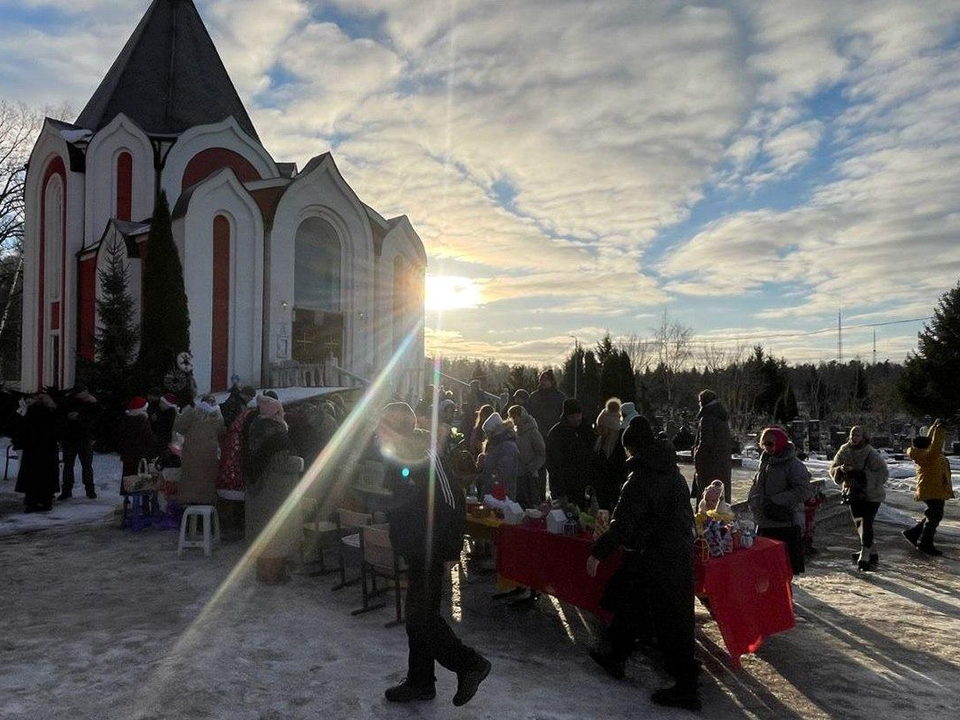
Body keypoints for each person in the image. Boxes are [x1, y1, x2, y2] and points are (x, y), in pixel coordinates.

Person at [380, 402, 491, 706]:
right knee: (418, 618)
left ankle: (470, 664)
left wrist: (449, 548)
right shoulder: (400, 454)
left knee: (421, 619)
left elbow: (451, 497)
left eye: (385, 425)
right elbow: (405, 500)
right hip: (416, 549)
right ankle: (421, 682)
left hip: (430, 549)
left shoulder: (423, 453)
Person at [586, 416, 700, 711]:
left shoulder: (641, 479)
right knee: (631, 598)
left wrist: (598, 552)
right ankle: (616, 654)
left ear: (632, 448)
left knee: (670, 618)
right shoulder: (672, 472)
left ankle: (687, 687)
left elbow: (623, 524)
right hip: (673, 550)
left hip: (658, 554)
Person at [244, 394, 299, 584]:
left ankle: (263, 573)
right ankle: (274, 576)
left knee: (263, 533)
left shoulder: (255, 427)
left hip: (257, 489)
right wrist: (300, 463)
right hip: (275, 491)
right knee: (277, 534)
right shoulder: (276, 432)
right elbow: (282, 463)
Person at [748, 427, 811, 575]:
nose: (767, 448)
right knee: (765, 568)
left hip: (784, 522)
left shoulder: (793, 464)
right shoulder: (766, 462)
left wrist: (776, 500)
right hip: (764, 520)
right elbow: (757, 486)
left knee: (783, 568)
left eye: (770, 444)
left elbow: (803, 490)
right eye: (764, 444)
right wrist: (754, 501)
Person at [829, 426, 889, 571]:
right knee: (859, 522)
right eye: (853, 435)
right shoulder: (844, 450)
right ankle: (871, 549)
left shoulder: (871, 453)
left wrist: (859, 474)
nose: (855, 438)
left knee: (866, 522)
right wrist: (841, 470)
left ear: (864, 437)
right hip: (853, 493)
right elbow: (833, 468)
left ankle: (865, 553)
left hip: (871, 495)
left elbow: (883, 473)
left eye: (858, 435)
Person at [904, 420, 954, 556]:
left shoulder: (925, 454)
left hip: (934, 489)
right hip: (932, 490)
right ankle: (926, 543)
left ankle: (913, 533)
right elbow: (936, 445)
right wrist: (941, 429)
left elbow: (931, 441)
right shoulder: (928, 456)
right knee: (935, 516)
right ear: (926, 447)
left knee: (933, 514)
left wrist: (934, 427)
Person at [13, 393, 61, 513]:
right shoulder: (52, 412)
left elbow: (22, 428)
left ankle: (31, 502)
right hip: (48, 450)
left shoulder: (31, 412)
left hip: (32, 450)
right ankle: (45, 502)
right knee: (47, 477)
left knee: (31, 477)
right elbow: (57, 430)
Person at [174, 395, 225, 505]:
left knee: (190, 479)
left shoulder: (193, 411)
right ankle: (207, 505)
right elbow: (221, 432)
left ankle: (190, 507)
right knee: (208, 479)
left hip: (192, 453)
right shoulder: (218, 415)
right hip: (211, 454)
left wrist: (178, 415)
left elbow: (179, 427)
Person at [545, 398, 594, 506]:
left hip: (583, 486)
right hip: (563, 487)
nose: (576, 419)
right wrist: (560, 490)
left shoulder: (587, 430)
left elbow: (592, 455)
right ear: (566, 417)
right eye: (572, 417)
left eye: (578, 415)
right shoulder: (556, 434)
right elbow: (553, 464)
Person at [58, 384, 99, 500]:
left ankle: (88, 489)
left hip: (82, 438)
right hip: (73, 438)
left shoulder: (89, 403)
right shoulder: (69, 403)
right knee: (72, 466)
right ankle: (69, 489)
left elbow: (95, 419)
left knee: (84, 466)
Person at [692, 390, 733, 503]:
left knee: (708, 498)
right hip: (722, 465)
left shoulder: (707, 418)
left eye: (699, 401)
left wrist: (697, 457)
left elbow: (705, 443)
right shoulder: (721, 417)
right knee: (721, 498)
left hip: (709, 466)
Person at [507, 405, 546, 507]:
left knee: (532, 503)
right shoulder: (515, 432)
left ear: (521, 416)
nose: (513, 420)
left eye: (515, 417)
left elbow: (541, 453)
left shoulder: (533, 432)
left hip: (530, 476)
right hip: (518, 474)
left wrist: (531, 468)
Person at [118, 397, 156, 498]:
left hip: (128, 455)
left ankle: (127, 494)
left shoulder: (126, 420)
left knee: (128, 476)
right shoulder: (142, 420)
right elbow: (149, 438)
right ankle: (143, 502)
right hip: (140, 454)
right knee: (140, 478)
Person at [478, 412, 520, 499]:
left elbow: (503, 473)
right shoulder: (497, 445)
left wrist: (485, 480)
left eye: (488, 433)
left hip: (501, 495)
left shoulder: (507, 446)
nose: (487, 436)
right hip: (495, 492)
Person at [594, 398, 626, 510]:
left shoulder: (622, 445)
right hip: (602, 495)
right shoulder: (600, 442)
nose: (599, 430)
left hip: (617, 495)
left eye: (602, 427)